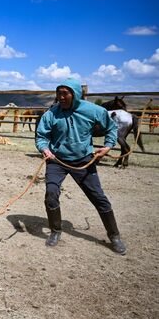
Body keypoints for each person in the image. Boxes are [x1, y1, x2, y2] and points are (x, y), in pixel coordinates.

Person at [35, 78, 126, 254]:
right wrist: (44, 149)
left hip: (83, 160)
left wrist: (107, 146)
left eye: (65, 93)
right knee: (51, 194)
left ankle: (114, 236)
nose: (61, 97)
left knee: (98, 197)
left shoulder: (93, 111)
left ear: (75, 94)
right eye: (58, 93)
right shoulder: (51, 113)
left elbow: (111, 128)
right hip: (57, 160)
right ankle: (55, 231)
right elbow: (41, 136)